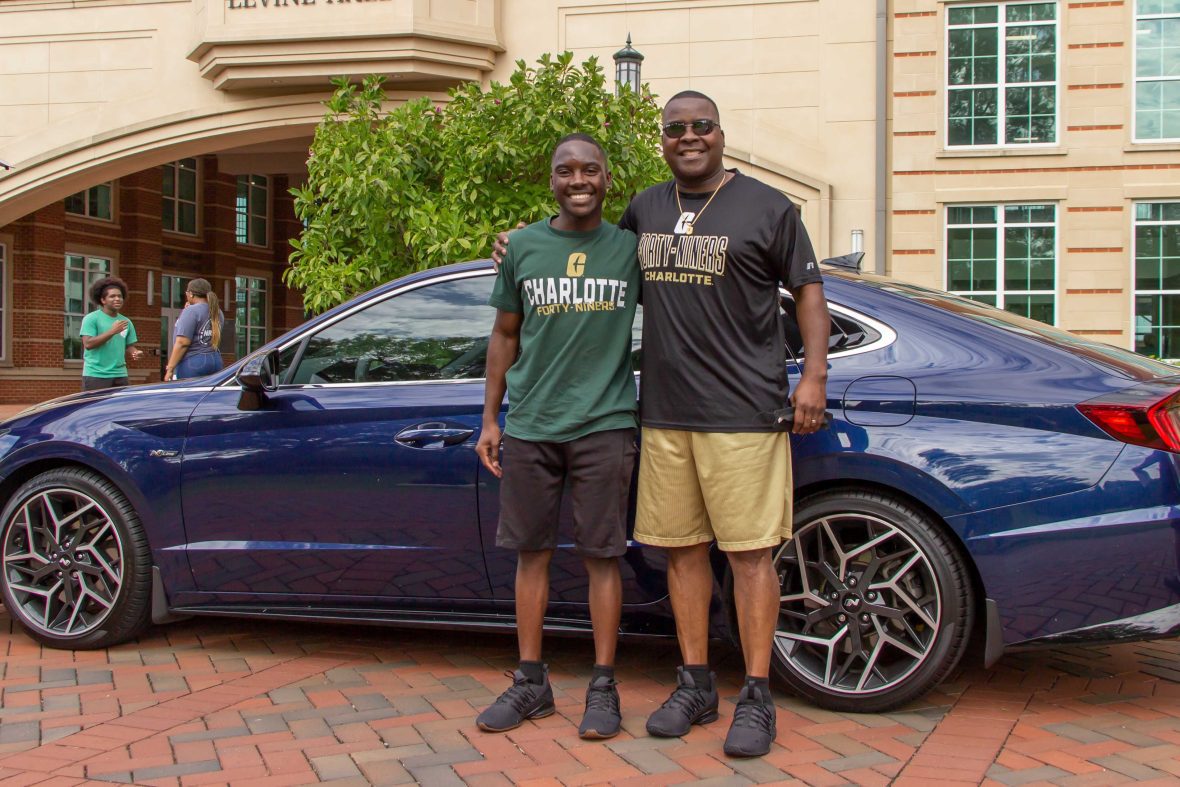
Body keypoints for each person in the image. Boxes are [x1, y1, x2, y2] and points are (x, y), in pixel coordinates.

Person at [494, 90, 830, 758]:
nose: (688, 136)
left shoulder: (769, 207)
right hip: (665, 414)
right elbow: (577, 247)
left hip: (744, 411)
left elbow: (810, 292)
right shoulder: (645, 209)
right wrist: (512, 240)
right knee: (682, 550)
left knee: (750, 554)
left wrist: (813, 376)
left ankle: (757, 696)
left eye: (700, 125)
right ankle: (696, 682)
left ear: (721, 134)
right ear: (662, 141)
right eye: (675, 128)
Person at [475, 133, 640, 741]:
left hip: (605, 422)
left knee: (603, 557)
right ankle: (530, 683)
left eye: (590, 170)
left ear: (606, 178)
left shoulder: (630, 248)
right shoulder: (521, 247)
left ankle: (603, 687)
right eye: (566, 170)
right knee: (530, 555)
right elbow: (504, 335)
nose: (579, 180)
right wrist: (492, 419)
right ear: (551, 180)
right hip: (533, 425)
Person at [80, 276, 144, 391]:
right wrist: (112, 331)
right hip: (96, 375)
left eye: (120, 296)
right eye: (112, 296)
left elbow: (129, 346)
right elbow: (88, 344)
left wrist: (135, 352)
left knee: (120, 409)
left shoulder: (126, 321)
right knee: (96, 409)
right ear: (103, 300)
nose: (117, 299)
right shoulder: (91, 319)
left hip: (120, 375)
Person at [164, 278, 224, 380]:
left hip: (193, 361)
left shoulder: (192, 311)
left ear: (191, 294)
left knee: (190, 395)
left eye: (187, 292)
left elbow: (182, 342)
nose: (186, 295)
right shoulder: (218, 312)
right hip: (215, 360)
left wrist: (170, 368)